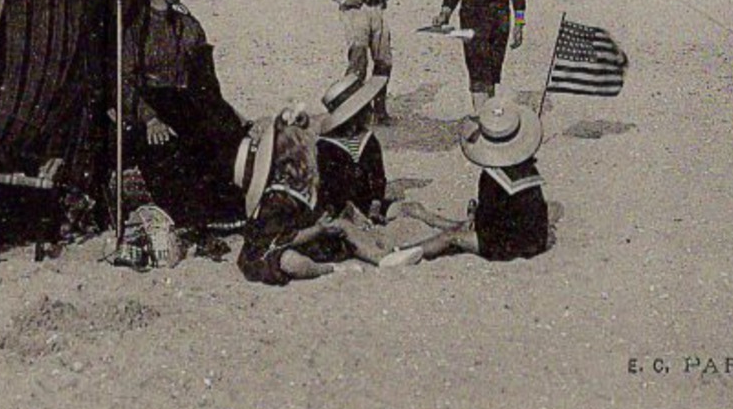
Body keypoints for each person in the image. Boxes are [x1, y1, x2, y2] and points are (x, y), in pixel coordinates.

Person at [120, 0, 249, 231]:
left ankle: (224, 207)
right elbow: (123, 83)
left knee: (223, 131)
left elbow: (207, 85)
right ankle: (192, 215)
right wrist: (149, 117)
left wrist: (229, 115)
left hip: (185, 104)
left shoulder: (188, 26)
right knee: (163, 145)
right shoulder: (134, 30)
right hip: (151, 107)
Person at [235, 113, 420, 285]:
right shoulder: (276, 200)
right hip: (271, 251)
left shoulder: (293, 190)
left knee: (342, 225)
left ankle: (381, 257)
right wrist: (318, 229)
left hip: (302, 237)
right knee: (292, 262)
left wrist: (325, 223)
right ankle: (327, 269)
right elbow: (285, 238)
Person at [390, 96, 551, 263]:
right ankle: (424, 217)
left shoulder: (492, 177)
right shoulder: (527, 166)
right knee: (462, 228)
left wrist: (473, 217)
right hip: (536, 240)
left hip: (509, 245)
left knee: (451, 237)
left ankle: (403, 252)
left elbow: (485, 224)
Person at [315, 71, 389, 217]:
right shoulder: (326, 147)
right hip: (340, 209)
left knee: (412, 208)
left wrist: (376, 203)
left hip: (367, 204)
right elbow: (327, 190)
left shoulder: (368, 139)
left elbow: (378, 176)